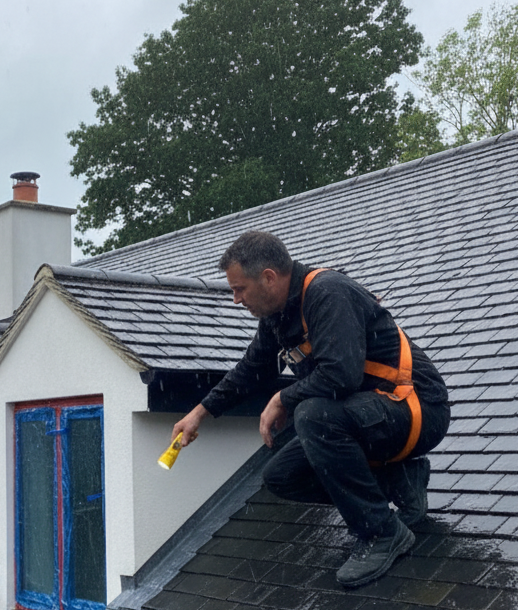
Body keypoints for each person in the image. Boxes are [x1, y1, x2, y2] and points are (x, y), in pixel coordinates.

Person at [173, 231, 450, 587]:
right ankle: (398, 481)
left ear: (269, 277)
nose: (235, 300)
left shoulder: (326, 293)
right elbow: (252, 370)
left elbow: (341, 375)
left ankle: (381, 532)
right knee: (282, 476)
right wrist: (199, 413)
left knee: (312, 415)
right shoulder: (280, 316)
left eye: (239, 289)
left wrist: (283, 398)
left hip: (417, 409)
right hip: (372, 418)